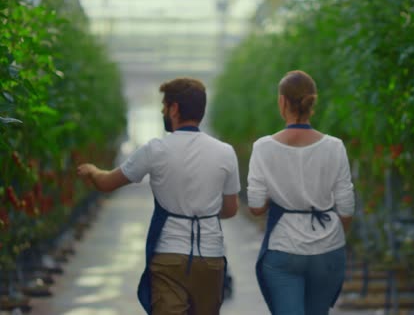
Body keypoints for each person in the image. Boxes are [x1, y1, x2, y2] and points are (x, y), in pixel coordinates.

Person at [77, 78, 240, 315]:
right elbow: (231, 209)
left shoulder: (156, 149)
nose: (162, 110)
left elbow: (107, 182)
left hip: (169, 257)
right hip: (211, 257)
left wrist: (92, 170)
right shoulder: (225, 152)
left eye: (164, 105)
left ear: (174, 109)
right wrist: (203, 210)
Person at [247, 70, 355, 315]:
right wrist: (330, 235)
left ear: (282, 101)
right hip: (328, 249)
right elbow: (347, 208)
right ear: (312, 102)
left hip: (284, 247)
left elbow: (255, 207)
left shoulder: (264, 148)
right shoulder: (334, 146)